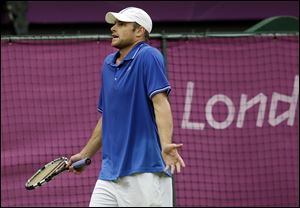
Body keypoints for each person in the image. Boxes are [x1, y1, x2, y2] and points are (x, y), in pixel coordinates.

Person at [66, 7, 185, 207]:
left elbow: (160, 103)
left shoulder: (149, 56)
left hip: (144, 171)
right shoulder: (108, 64)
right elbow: (107, 118)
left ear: (139, 31)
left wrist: (166, 144)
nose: (114, 28)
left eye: (121, 24)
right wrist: (85, 154)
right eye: (114, 24)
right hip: (110, 174)